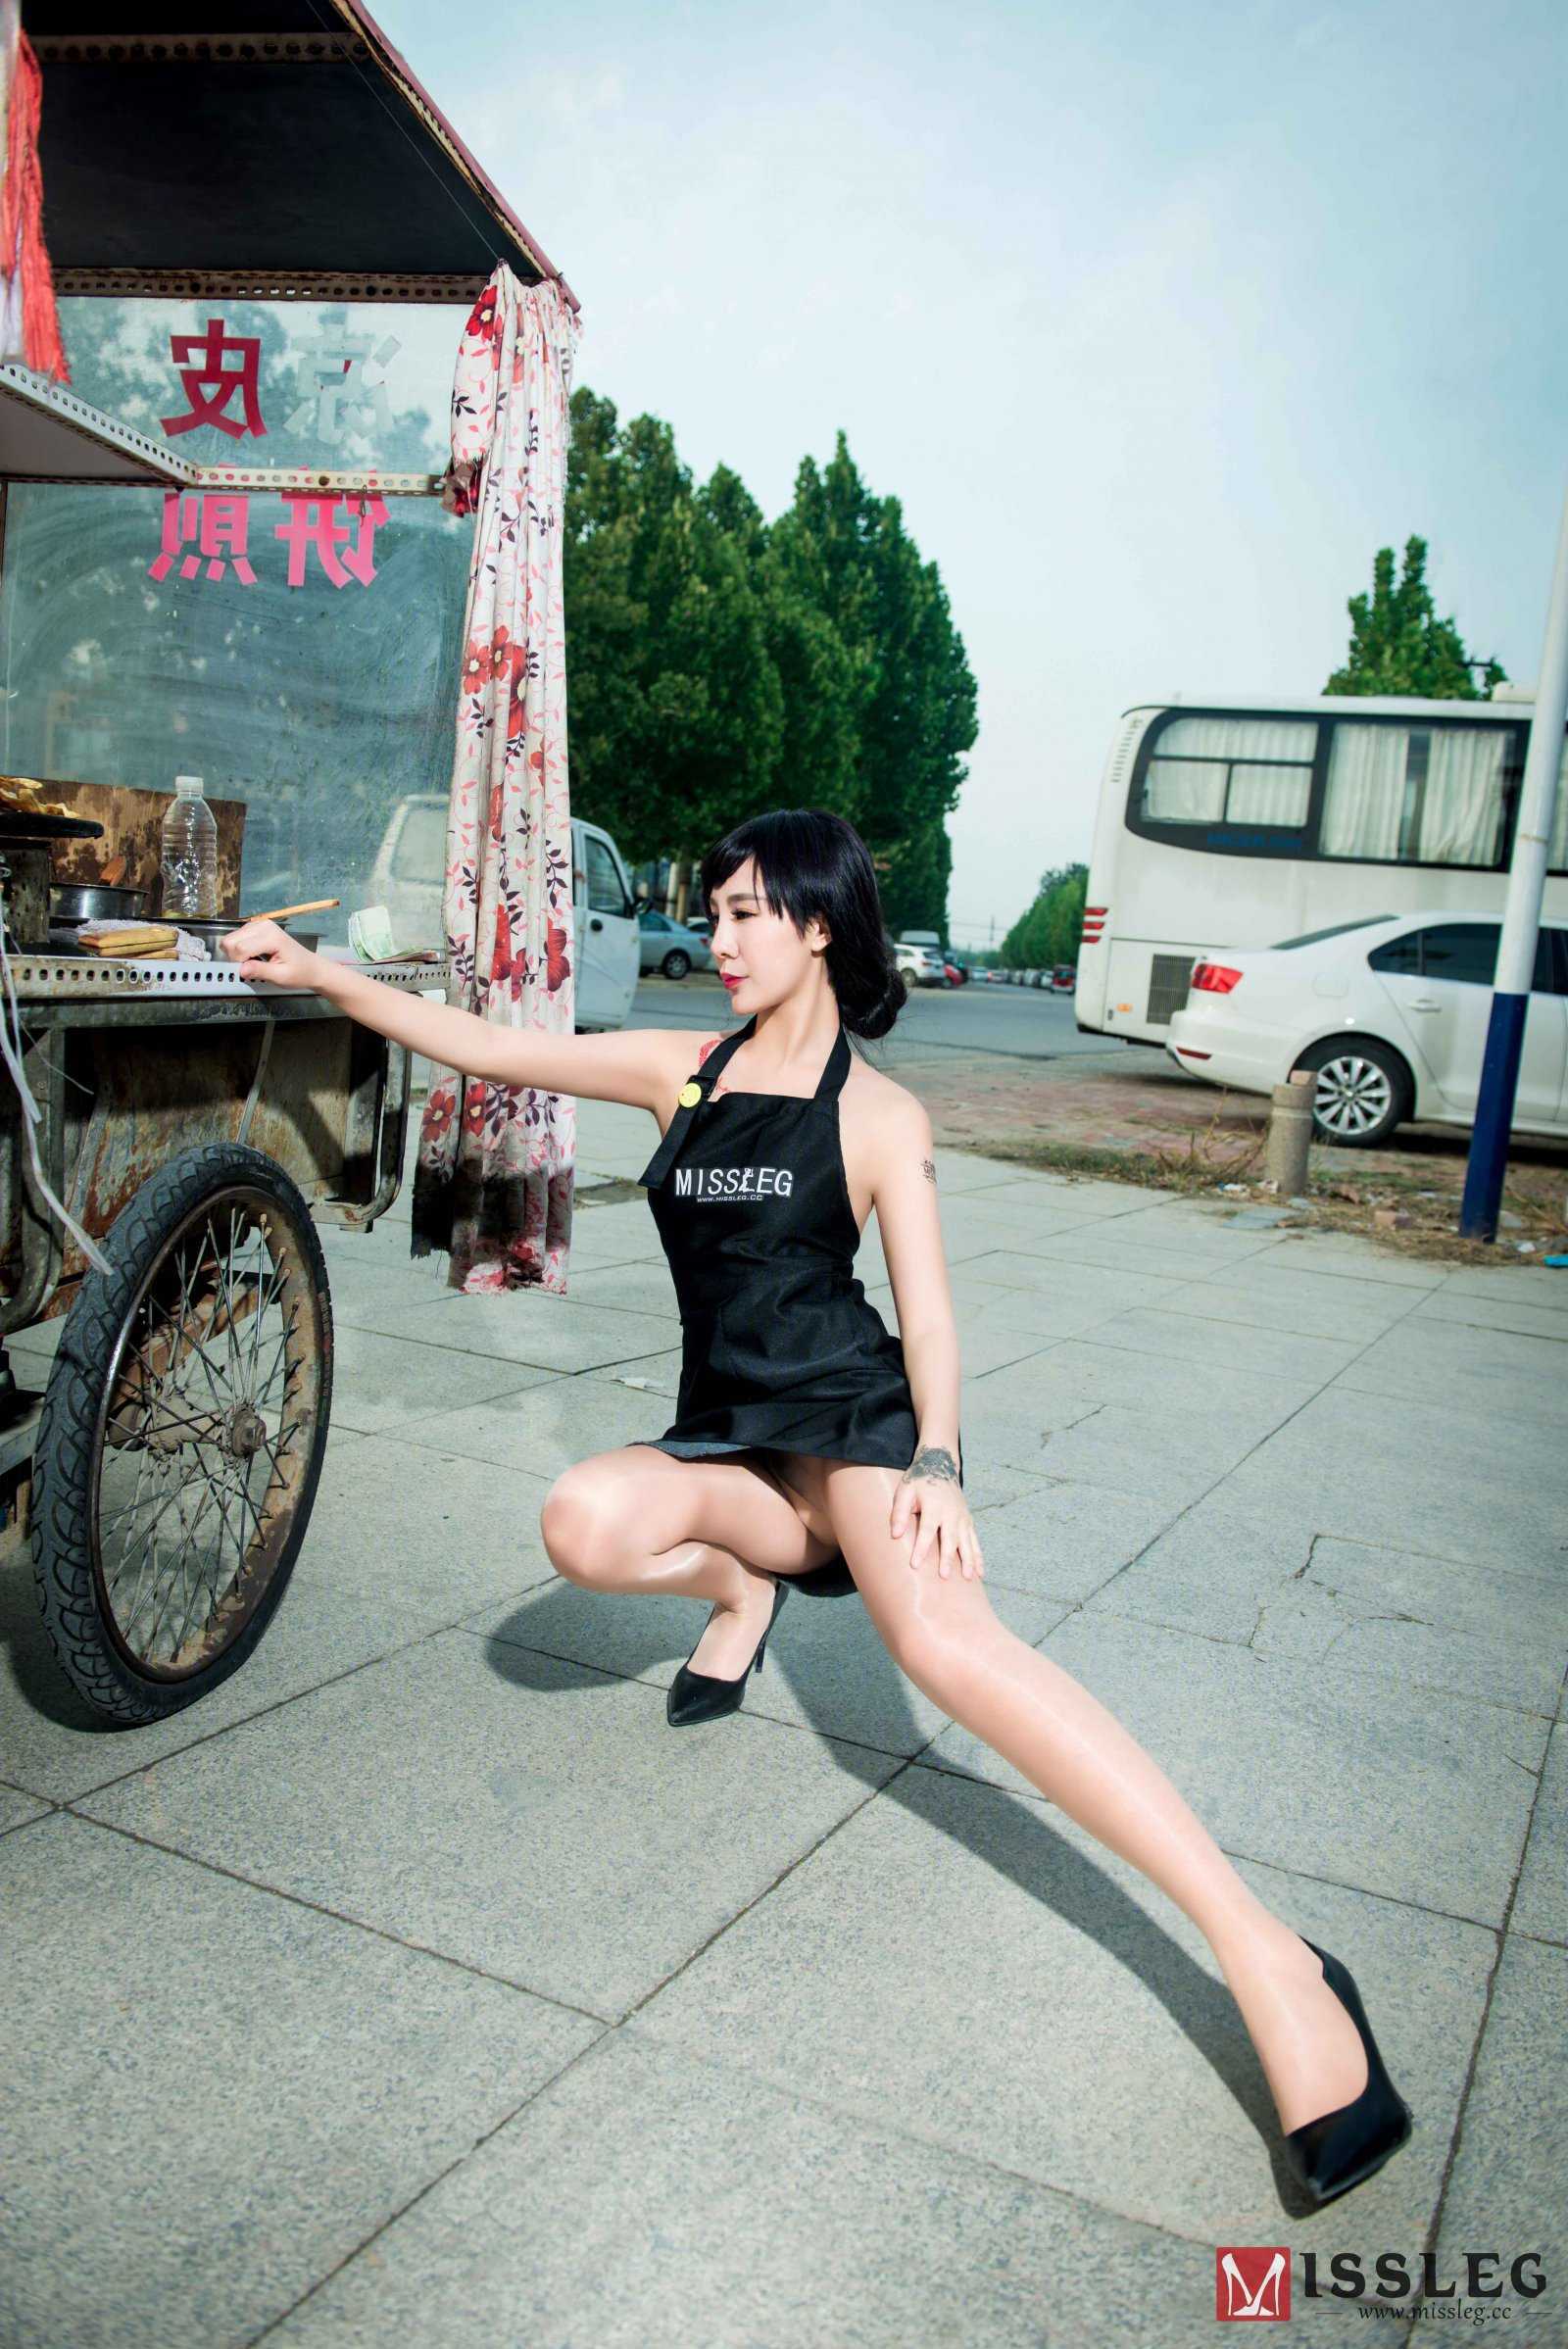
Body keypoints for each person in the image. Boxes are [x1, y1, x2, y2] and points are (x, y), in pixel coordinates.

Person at [220, 807, 1411, 2208]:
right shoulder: (683, 1071)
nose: (717, 939)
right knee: (582, 1522)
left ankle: (1271, 1955)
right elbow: (485, 1045)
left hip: (854, 1428)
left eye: (744, 914)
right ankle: (743, 1585)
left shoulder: (880, 1115)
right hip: (734, 1437)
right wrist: (327, 978)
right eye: (714, 913)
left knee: (950, 1649)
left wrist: (940, 1464)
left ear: (820, 924)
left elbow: (931, 1315)